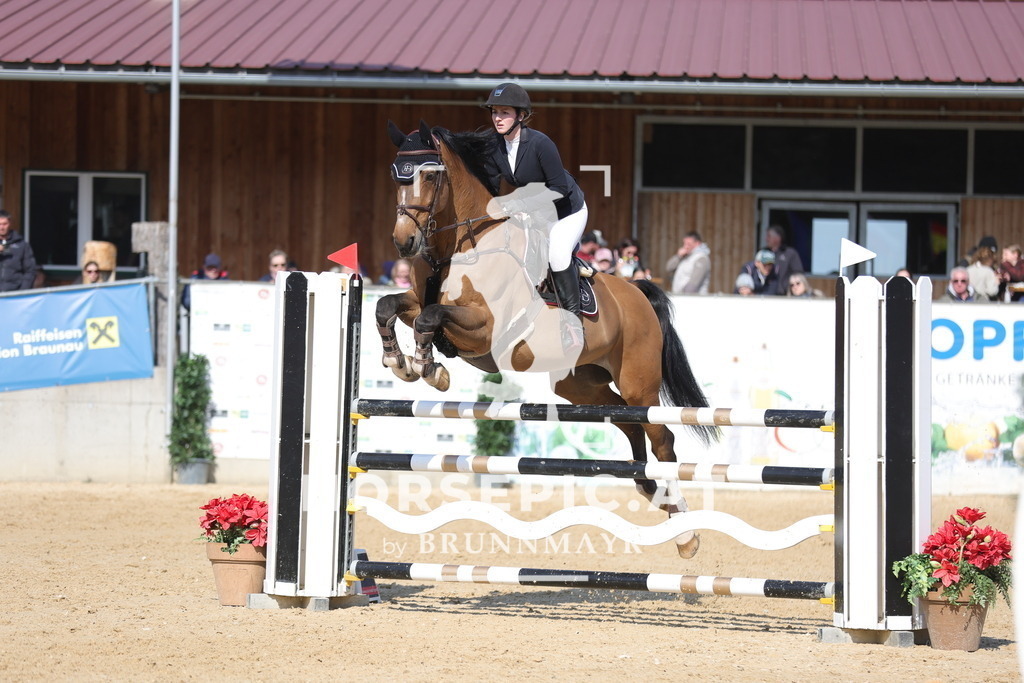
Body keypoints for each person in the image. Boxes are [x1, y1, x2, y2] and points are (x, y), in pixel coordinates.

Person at [483, 82, 587, 318]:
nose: (497, 118)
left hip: (567, 211)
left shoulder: (540, 143)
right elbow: (490, 186)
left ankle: (573, 320)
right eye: (494, 112)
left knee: (557, 254)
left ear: (521, 115)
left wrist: (519, 205)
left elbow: (559, 188)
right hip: (538, 213)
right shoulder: (494, 146)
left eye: (505, 112)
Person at [0, 209, 38, 292]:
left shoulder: (21, 245)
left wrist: (22, 292)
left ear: (9, 224)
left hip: (14, 293)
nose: (1, 227)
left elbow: (30, 271)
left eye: (4, 224)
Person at [765, 225, 804, 295]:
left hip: (785, 295)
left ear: (777, 238)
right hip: (766, 295)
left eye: (769, 236)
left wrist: (785, 286)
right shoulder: (763, 253)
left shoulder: (790, 253)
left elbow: (798, 273)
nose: (766, 239)